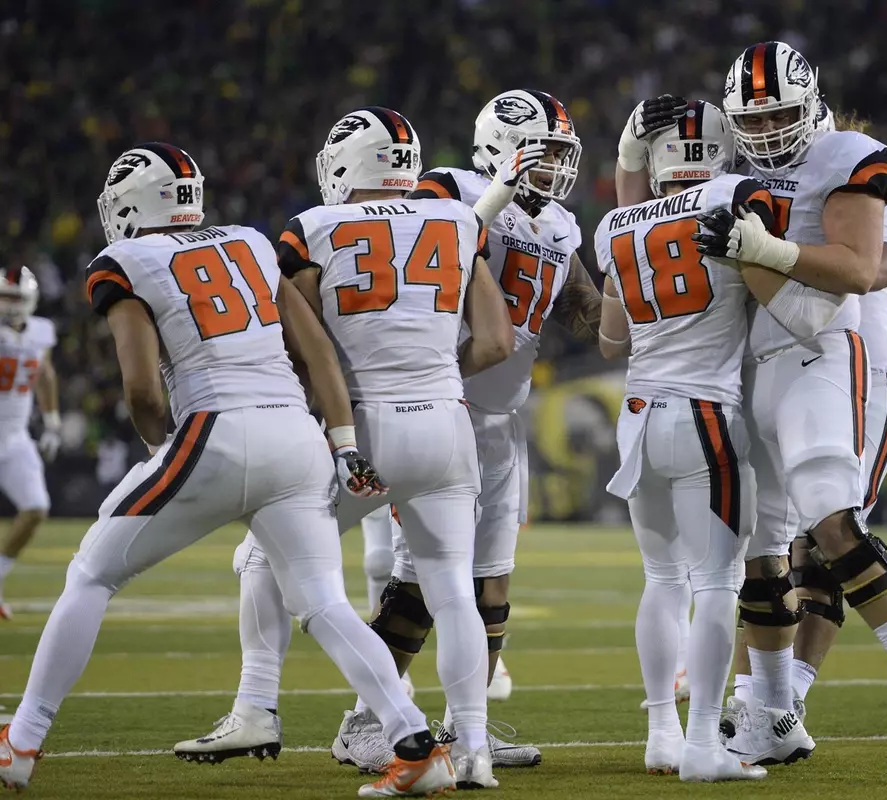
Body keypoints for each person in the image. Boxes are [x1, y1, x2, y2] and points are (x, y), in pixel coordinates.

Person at [0, 142, 455, 798]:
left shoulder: (123, 261)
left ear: (130, 203)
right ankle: (414, 746)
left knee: (93, 574)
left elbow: (142, 390)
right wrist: (342, 441)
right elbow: (319, 353)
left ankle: (23, 739)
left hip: (215, 428)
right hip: (297, 437)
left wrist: (164, 449)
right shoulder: (250, 241)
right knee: (324, 601)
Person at [173, 108, 514, 790]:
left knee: (262, 556)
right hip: (448, 421)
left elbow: (297, 342)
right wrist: (431, 376)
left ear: (343, 165)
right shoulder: (456, 220)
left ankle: (257, 706)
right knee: (451, 586)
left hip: (363, 428)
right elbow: (497, 342)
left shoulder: (314, 228)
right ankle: (472, 748)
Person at [693, 41, 887, 773]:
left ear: (812, 106)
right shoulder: (726, 170)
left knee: (832, 522)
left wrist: (766, 250)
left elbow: (863, 270)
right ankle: (773, 714)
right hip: (751, 363)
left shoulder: (847, 155)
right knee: (759, 550)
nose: (771, 128)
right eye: (758, 115)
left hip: (824, 354)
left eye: (783, 111)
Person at [380, 88, 600, 770]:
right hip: (437, 402)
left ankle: (463, 729)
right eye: (547, 151)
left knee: (492, 583)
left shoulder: (561, 224)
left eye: (565, 153)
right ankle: (371, 719)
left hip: (503, 418)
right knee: (418, 582)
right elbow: (423, 258)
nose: (558, 166)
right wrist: (494, 199)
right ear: (502, 146)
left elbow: (585, 310)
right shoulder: (449, 187)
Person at [597, 99, 787, 782]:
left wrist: (626, 165)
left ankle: (661, 732)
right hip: (707, 411)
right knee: (717, 582)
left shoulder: (614, 224)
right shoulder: (736, 195)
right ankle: (704, 743)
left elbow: (611, 337)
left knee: (660, 578)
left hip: (638, 416)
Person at [0, 267, 60, 620]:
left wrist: (51, 422)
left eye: (15, 298)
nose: (9, 305)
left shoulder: (41, 331)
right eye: (3, 298)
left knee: (36, 508)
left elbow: (45, 373)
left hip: (15, 436)